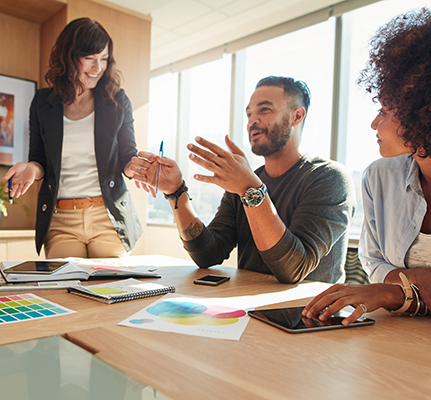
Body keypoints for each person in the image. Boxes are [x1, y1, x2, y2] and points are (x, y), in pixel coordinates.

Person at [132, 76, 356, 284]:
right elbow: (208, 254)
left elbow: (293, 269)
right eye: (249, 114)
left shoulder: (330, 178)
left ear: (296, 116)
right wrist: (175, 191)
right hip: (249, 310)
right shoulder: (246, 182)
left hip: (309, 319)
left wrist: (250, 189)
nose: (252, 121)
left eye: (264, 110)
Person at [304, 8, 431, 325]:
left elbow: (385, 284)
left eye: (386, 111)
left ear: (422, 112)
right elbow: (374, 264)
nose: (375, 123)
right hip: (396, 339)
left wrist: (395, 292)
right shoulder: (378, 176)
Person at [4, 18, 142, 258]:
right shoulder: (42, 103)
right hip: (60, 220)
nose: (98, 67)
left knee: (112, 290)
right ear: (69, 57)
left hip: (108, 217)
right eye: (90, 58)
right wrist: (30, 168)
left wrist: (139, 168)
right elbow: (39, 161)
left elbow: (127, 158)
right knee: (63, 291)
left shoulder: (117, 101)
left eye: (104, 59)